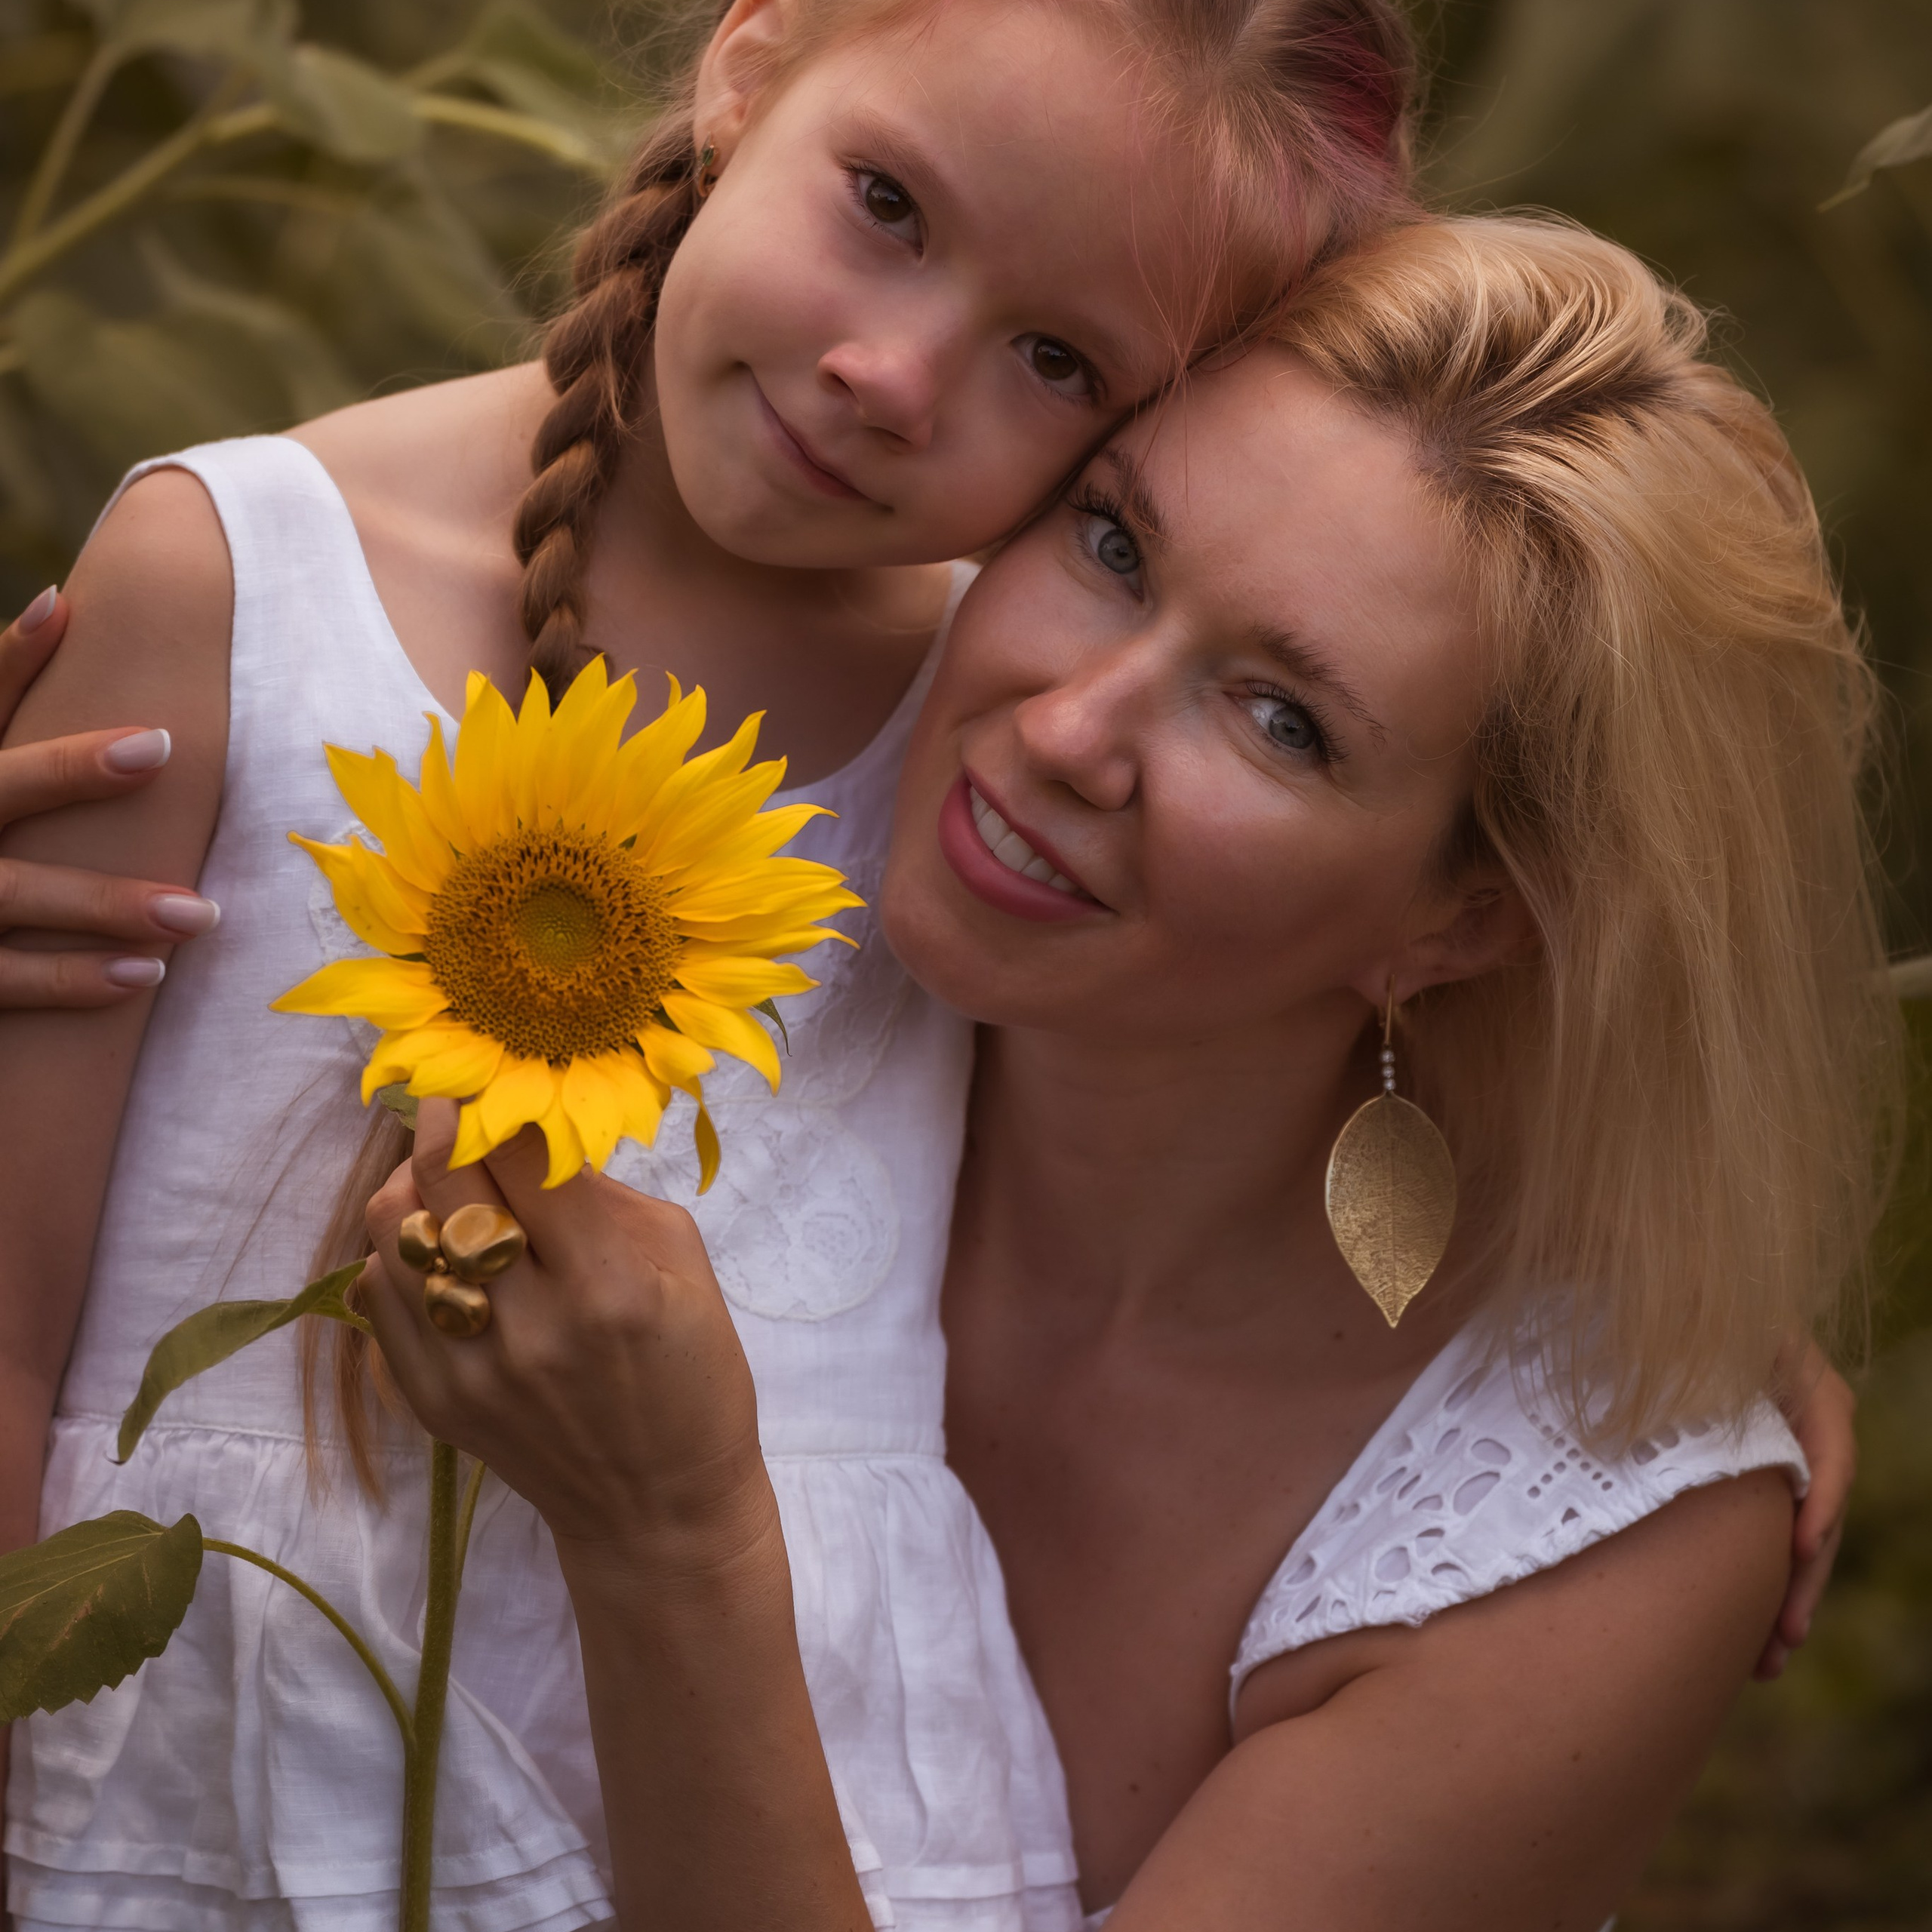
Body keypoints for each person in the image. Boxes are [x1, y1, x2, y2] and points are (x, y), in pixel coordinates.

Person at [0, 0, 1423, 1925]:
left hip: (787, 1813)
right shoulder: (232, 578)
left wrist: (1681, 1341)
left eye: (1054, 356)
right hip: (193, 1776)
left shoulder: (995, 724)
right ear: (748, 66)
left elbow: (1317, 1037)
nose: (889, 376)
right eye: (888, 205)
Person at [351, 213, 1900, 1931]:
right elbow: (436, 531)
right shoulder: (770, 832)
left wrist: (671, 1544)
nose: (1066, 729)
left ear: (1468, 920)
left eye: (1280, 718)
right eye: (1109, 542)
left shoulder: (1578, 1547)